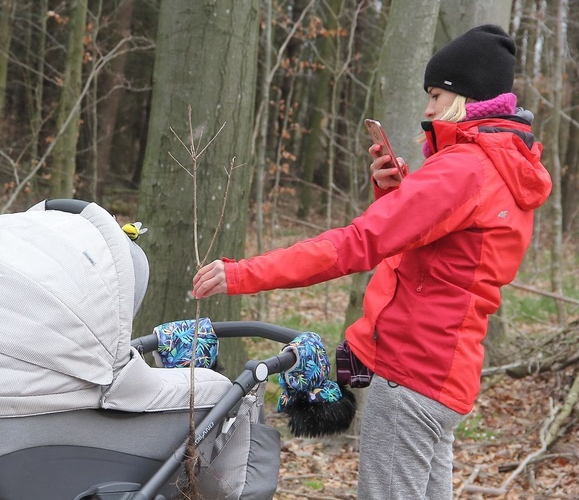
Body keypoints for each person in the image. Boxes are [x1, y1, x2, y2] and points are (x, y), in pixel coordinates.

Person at [191, 24, 552, 499]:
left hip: (412, 375)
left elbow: (356, 244)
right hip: (447, 375)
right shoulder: (503, 165)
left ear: (466, 97)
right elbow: (448, 258)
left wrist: (243, 273)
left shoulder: (463, 168)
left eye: (437, 95)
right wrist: (395, 195)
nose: (428, 109)